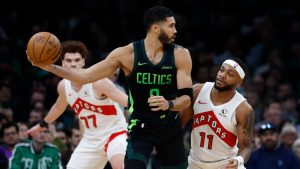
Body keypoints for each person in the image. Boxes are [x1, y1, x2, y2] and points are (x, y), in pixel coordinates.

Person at [28, 6, 193, 169]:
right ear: (156, 28)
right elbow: (72, 90)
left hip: (139, 130)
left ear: (83, 61)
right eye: (171, 26)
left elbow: (184, 99)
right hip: (115, 133)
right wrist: (47, 66)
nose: (176, 30)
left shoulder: (180, 54)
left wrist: (166, 107)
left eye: (76, 61)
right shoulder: (125, 54)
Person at [25, 40, 128, 169]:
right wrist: (42, 125)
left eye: (77, 60)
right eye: (68, 61)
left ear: (83, 62)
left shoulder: (99, 82)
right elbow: (58, 107)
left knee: (120, 166)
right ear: (62, 63)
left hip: (115, 133)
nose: (73, 64)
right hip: (91, 138)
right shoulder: (63, 86)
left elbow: (128, 101)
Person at [181, 58, 255, 169]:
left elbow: (247, 146)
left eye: (230, 74)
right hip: (195, 164)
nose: (222, 75)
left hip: (226, 165)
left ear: (239, 82)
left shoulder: (243, 109)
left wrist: (238, 160)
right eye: (221, 70)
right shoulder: (197, 91)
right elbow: (179, 125)